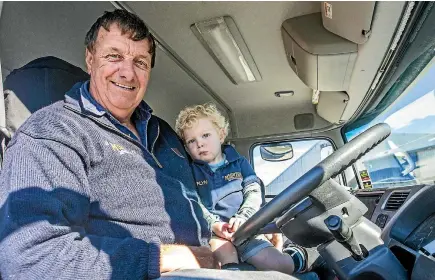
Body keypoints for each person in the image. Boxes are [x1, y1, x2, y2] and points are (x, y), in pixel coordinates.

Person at [0, 9, 318, 280]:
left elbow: (188, 201)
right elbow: (30, 257)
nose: (128, 71)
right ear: (90, 59)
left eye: (140, 61)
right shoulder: (54, 131)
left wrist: (216, 227)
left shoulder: (161, 133)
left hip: (213, 259)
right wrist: (162, 259)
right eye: (114, 56)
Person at [175, 103, 307, 275]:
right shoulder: (191, 171)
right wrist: (214, 224)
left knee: (278, 265)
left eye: (205, 135)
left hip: (247, 227)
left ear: (221, 135)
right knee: (225, 261)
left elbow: (253, 191)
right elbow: (194, 203)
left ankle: (295, 257)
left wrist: (244, 217)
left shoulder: (239, 163)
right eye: (191, 141)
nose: (200, 144)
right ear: (186, 147)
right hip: (216, 232)